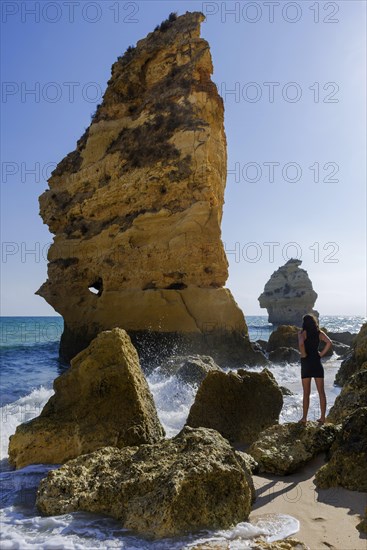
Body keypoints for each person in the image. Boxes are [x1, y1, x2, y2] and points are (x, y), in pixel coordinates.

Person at [297, 314, 332, 424]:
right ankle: (322, 417)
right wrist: (321, 354)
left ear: (304, 323)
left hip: (306, 363)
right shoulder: (319, 333)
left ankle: (304, 418)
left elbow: (301, 344)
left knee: (306, 393)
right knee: (321, 392)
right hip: (316, 362)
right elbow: (329, 342)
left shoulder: (302, 333)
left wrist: (303, 355)